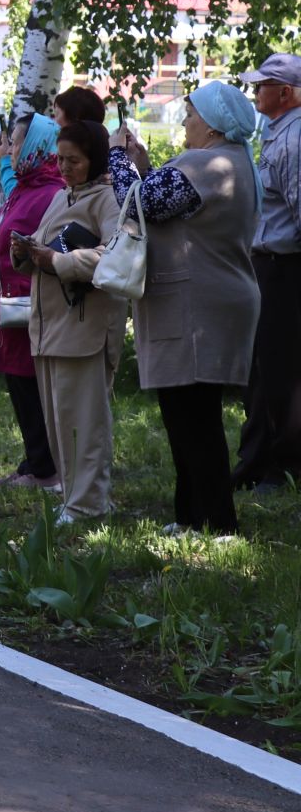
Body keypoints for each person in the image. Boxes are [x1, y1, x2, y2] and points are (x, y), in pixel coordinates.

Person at [128, 81, 261, 535]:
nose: (185, 123)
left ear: (211, 126)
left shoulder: (204, 163)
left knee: (194, 419)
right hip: (212, 300)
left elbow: (139, 205)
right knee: (187, 414)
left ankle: (219, 524)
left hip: (197, 306)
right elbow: (166, 199)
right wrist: (143, 167)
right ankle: (192, 516)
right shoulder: (236, 161)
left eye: (190, 115)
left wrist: (118, 160)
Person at [11, 120, 126, 527]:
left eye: (73, 160)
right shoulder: (62, 196)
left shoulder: (110, 199)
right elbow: (45, 247)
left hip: (86, 326)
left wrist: (57, 261)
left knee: (84, 420)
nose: (64, 167)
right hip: (51, 326)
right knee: (61, 420)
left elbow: (116, 256)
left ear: (94, 159)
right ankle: (74, 497)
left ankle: (89, 503)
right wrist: (24, 252)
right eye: (59, 158)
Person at [0, 115, 66, 489]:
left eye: (15, 143)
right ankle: (35, 463)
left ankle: (44, 470)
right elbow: (12, 183)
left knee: (31, 389)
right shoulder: (28, 186)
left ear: (33, 147)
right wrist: (3, 162)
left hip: (29, 309)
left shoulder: (50, 193)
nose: (10, 148)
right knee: (20, 385)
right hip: (13, 309)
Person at [238, 53, 301, 492]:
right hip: (268, 266)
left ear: (286, 93)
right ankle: (259, 459)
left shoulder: (296, 139)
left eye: (263, 85)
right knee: (262, 371)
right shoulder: (278, 131)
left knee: (282, 372)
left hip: (286, 269)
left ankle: (285, 467)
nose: (254, 91)